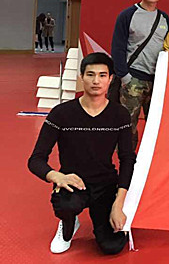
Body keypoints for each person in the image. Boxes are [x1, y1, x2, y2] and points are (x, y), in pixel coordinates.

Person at [27, 53, 135, 255]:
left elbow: (127, 159)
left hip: (105, 185)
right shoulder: (61, 113)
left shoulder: (119, 114)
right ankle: (68, 224)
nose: (96, 81)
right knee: (67, 204)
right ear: (81, 77)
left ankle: (104, 217)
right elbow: (36, 160)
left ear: (110, 79)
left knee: (112, 246)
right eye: (90, 74)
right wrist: (57, 176)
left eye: (102, 75)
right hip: (73, 183)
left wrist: (119, 203)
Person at [111, 0, 169, 149]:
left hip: (156, 81)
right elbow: (118, 47)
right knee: (128, 125)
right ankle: (128, 159)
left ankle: (148, 160)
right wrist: (125, 77)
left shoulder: (164, 18)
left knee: (155, 125)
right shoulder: (127, 15)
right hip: (133, 78)